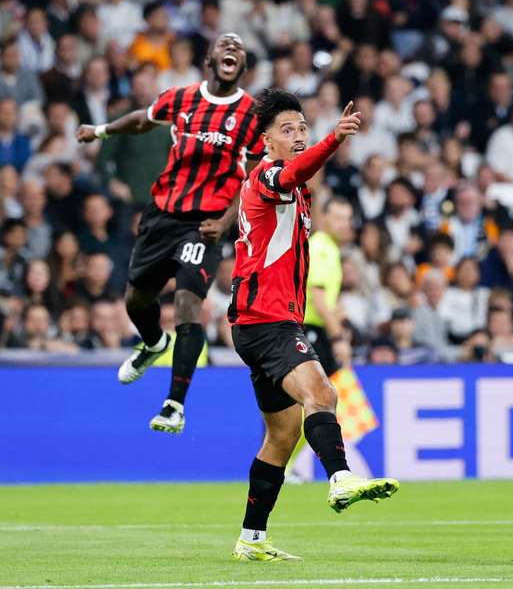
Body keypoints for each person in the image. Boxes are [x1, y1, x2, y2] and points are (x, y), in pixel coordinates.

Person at [229, 90, 398, 561]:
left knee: (282, 436)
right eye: (287, 129)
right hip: (267, 319)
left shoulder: (292, 190)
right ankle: (340, 478)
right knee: (321, 395)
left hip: (260, 319)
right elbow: (295, 171)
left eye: (302, 127)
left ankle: (252, 538)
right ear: (265, 141)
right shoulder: (269, 175)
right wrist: (334, 139)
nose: (299, 135)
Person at [76, 33, 263, 434]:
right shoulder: (180, 97)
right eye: (224, 45)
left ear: (242, 66)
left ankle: (174, 404)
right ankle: (153, 343)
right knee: (137, 298)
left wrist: (227, 221)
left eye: (239, 48)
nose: (232, 48)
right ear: (210, 59)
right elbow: (145, 119)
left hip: (205, 225)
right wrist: (103, 130)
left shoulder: (251, 113)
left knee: (186, 305)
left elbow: (255, 178)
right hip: (162, 214)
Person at [304, 196, 354, 377]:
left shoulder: (329, 248)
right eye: (338, 218)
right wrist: (338, 338)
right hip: (311, 331)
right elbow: (319, 301)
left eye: (347, 218)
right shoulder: (321, 249)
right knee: (322, 398)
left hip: (315, 330)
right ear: (324, 217)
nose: (344, 224)